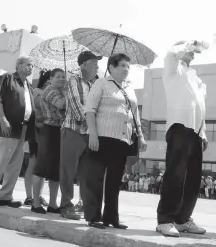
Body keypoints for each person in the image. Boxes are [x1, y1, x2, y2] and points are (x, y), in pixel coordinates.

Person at [81, 53, 146, 229]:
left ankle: (111, 217)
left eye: (128, 66)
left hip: (122, 139)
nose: (126, 69)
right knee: (95, 178)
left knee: (115, 180)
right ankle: (94, 217)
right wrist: (92, 134)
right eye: (123, 65)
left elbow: (135, 114)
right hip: (102, 137)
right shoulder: (101, 83)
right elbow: (90, 110)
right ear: (111, 67)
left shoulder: (129, 88)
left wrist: (140, 135)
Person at [156, 41, 209, 237]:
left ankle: (183, 219)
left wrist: (203, 132)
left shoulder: (194, 75)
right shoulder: (173, 67)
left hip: (196, 130)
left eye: (194, 50)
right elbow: (171, 53)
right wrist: (187, 43)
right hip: (179, 127)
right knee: (175, 176)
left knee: (193, 179)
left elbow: (200, 104)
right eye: (190, 49)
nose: (194, 52)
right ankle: (165, 220)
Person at [0, 56, 35, 208]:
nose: (31, 68)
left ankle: (5, 196)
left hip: (23, 128)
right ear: (18, 66)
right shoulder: (8, 78)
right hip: (7, 127)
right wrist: (3, 120)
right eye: (28, 65)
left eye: (32, 66)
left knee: (15, 165)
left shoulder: (28, 85)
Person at [59, 51, 101, 220]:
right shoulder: (74, 80)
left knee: (88, 173)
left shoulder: (99, 83)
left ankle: (85, 204)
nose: (97, 65)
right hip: (73, 130)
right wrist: (93, 124)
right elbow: (77, 108)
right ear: (84, 65)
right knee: (68, 170)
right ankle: (66, 206)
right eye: (94, 62)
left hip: (91, 134)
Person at [32, 68, 66, 214]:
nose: (61, 79)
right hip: (48, 129)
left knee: (55, 169)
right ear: (50, 79)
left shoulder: (62, 91)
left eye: (63, 77)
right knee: (41, 166)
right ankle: (35, 202)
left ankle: (53, 204)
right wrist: (73, 93)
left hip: (60, 130)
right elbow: (60, 105)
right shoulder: (49, 90)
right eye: (58, 76)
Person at [23, 71, 50, 207]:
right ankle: (30, 196)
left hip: (45, 131)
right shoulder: (38, 92)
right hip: (36, 131)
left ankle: (37, 195)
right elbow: (39, 112)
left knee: (41, 165)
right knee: (33, 163)